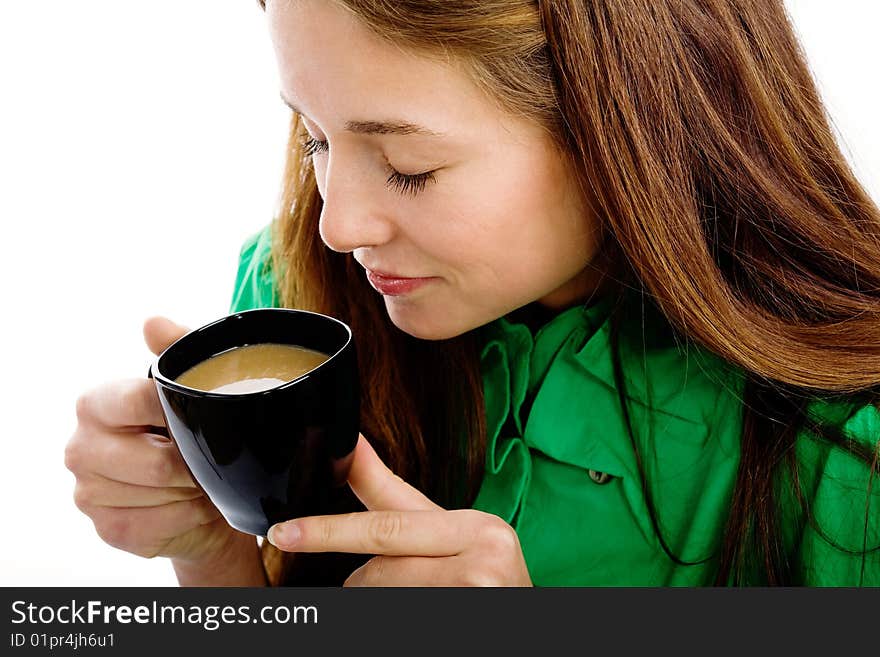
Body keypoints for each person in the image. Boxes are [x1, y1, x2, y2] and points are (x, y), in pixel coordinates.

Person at [66, 0, 880, 587]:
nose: (336, 228)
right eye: (314, 135)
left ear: (624, 126)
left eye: (410, 169)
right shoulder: (299, 300)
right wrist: (212, 555)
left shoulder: (846, 450)